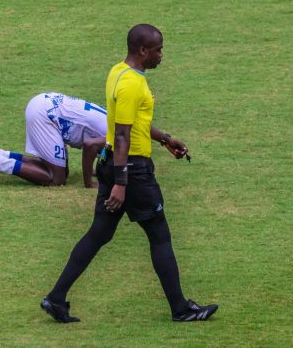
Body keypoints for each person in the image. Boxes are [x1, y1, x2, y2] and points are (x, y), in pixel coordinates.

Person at [40, 24, 218, 323]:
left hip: (111, 163)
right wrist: (121, 184)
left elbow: (134, 122)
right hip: (132, 172)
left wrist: (164, 138)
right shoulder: (132, 84)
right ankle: (181, 309)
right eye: (158, 49)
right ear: (143, 50)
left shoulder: (118, 72)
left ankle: (56, 298)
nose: (162, 55)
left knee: (99, 233)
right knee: (159, 236)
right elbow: (122, 135)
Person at [0, 92, 107, 188]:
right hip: (45, 115)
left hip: (48, 105)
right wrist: (88, 183)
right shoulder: (117, 137)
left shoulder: (115, 123)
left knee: (61, 171)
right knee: (57, 178)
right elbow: (90, 145)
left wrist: (93, 170)